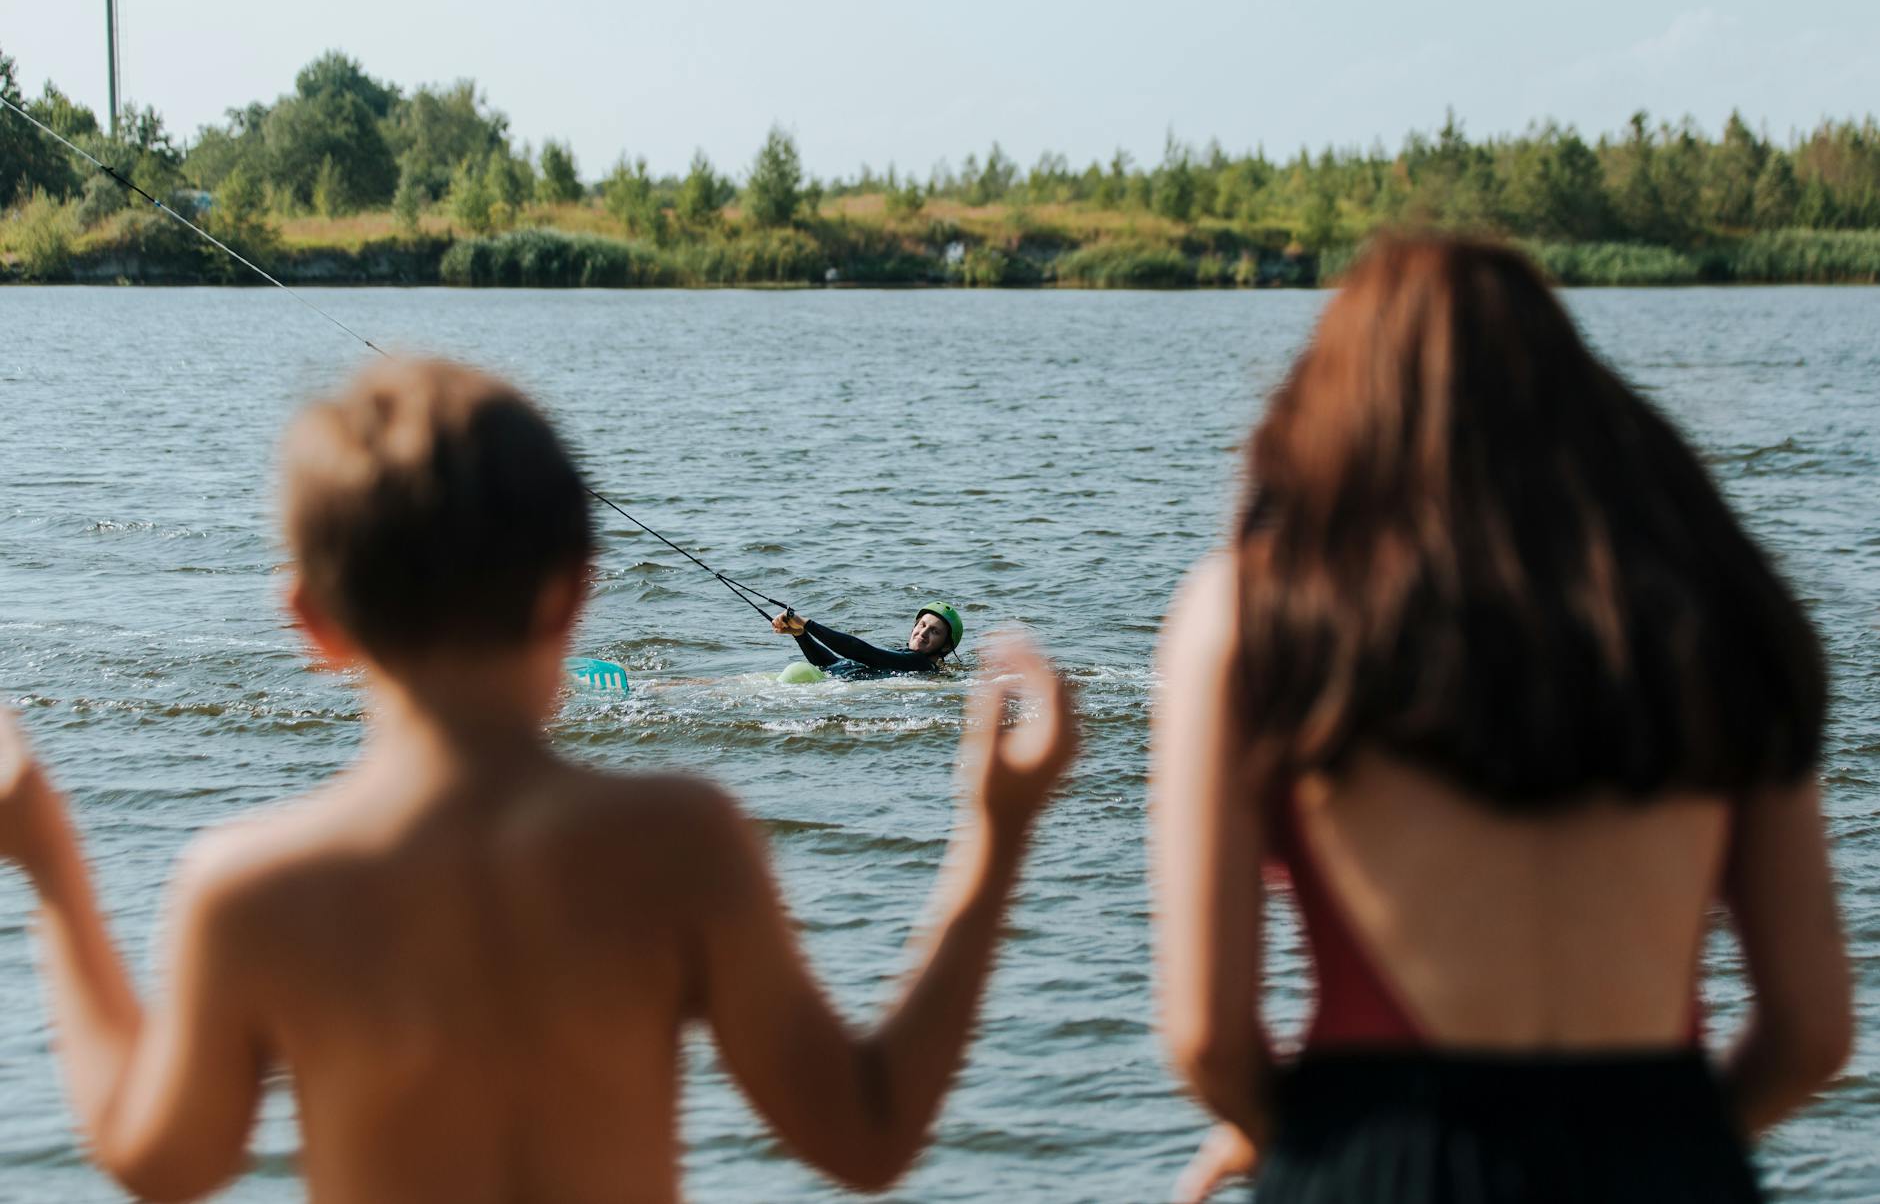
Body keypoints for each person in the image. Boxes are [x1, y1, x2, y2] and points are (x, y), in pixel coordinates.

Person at [0, 358, 1078, 1203]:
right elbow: (870, 1130)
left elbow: (158, 1160)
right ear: (574, 595)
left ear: (312, 625)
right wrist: (995, 837)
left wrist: (47, 853)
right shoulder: (681, 844)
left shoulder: (244, 889)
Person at [1149, 237, 1851, 1203]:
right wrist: (1666, 1145)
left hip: (1380, 1163)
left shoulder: (1247, 617)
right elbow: (1812, 1032)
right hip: (1667, 1164)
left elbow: (1209, 1040)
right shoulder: (1723, 607)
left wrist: (1305, 1140)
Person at [772, 601, 963, 678]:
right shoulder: (900, 656)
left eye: (934, 632)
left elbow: (863, 652)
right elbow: (830, 664)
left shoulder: (920, 664)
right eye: (922, 625)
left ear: (946, 646)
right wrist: (800, 635)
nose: (923, 633)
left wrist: (808, 624)